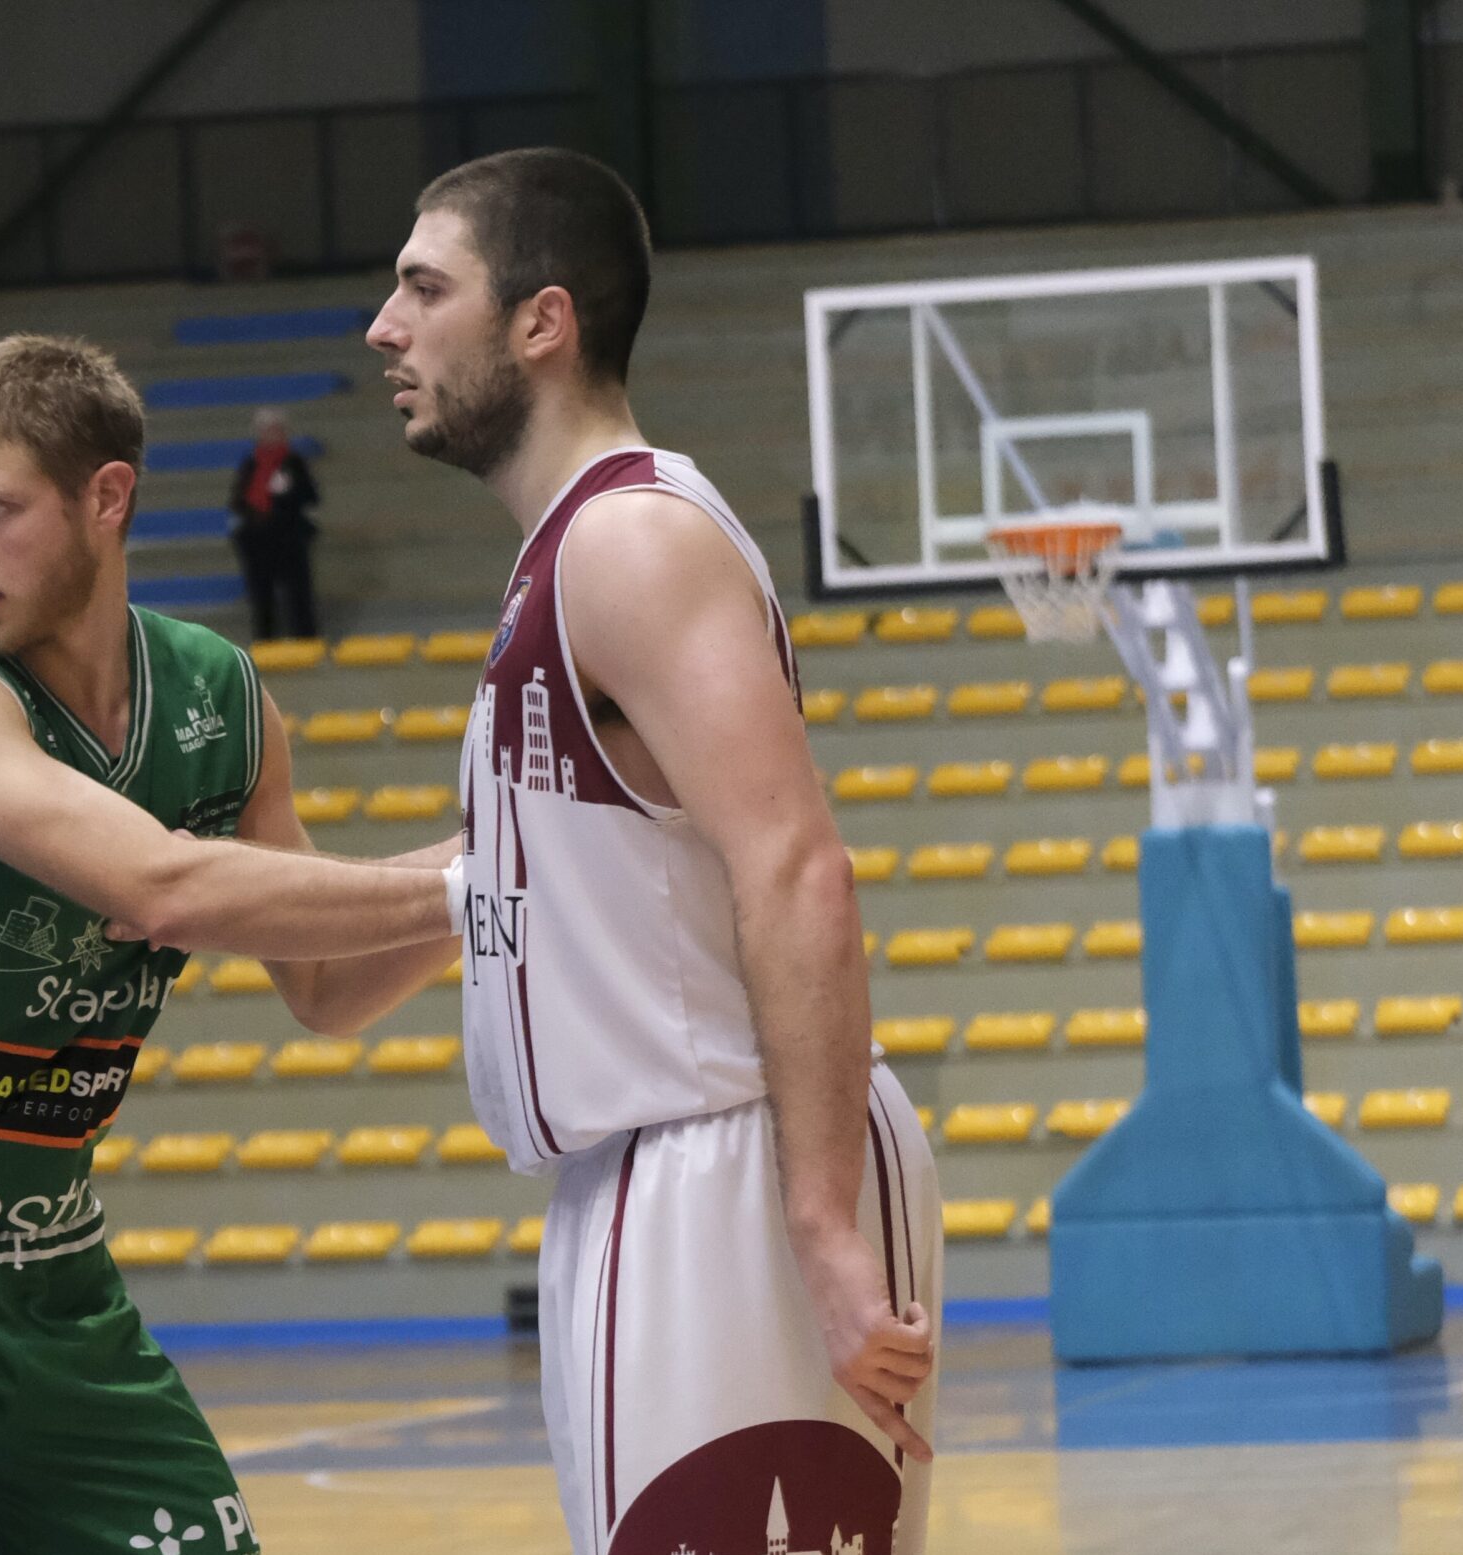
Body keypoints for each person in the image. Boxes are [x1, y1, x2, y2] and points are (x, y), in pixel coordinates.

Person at [0, 333, 463, 1555]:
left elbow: (326, 984)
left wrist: (513, 843)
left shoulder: (223, 700)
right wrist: (492, 883)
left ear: (105, 497)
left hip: (49, 1270)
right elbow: (164, 889)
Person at [364, 148, 942, 1555]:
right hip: (686, 1156)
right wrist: (212, 893)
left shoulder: (624, 540)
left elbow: (798, 864)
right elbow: (513, 866)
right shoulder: (572, 552)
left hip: (720, 1157)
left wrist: (816, 1222)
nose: (384, 326)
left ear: (541, 323)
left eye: (424, 287)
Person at [225, 408, 320, 639]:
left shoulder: (294, 462)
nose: (271, 435)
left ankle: (305, 640)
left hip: (288, 537)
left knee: (298, 594)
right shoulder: (251, 463)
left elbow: (310, 496)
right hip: (257, 539)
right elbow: (237, 499)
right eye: (266, 430)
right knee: (261, 596)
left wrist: (283, 497)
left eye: (275, 430)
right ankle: (265, 642)